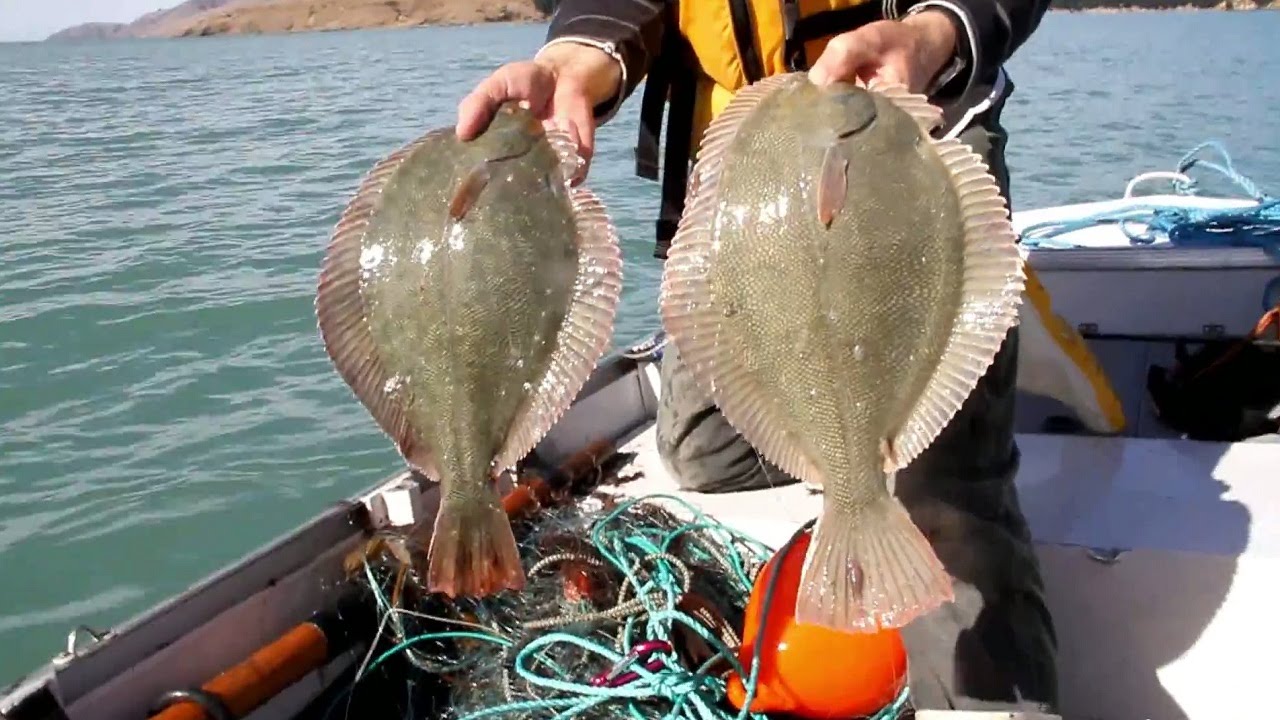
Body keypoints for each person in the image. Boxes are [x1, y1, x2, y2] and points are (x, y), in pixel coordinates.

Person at [456, 0, 1059, 715]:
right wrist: (575, 61)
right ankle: (845, 442)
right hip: (754, 179)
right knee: (701, 450)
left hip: (910, 139)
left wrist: (938, 33)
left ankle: (981, 675)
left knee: (947, 490)